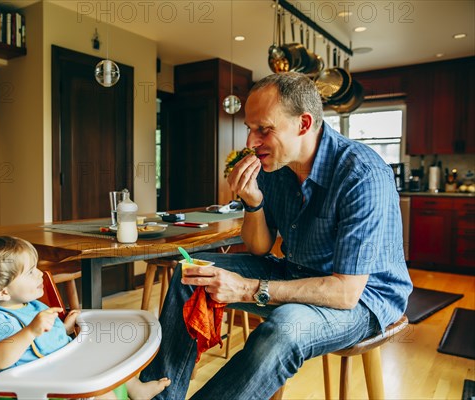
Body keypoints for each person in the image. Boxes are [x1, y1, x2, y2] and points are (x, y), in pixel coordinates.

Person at [140, 72, 413, 399]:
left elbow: (345, 292)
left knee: (284, 329)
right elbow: (260, 247)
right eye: (249, 129)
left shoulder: (362, 175)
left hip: (365, 298)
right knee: (192, 273)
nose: (250, 143)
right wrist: (253, 202)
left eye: (263, 130)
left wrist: (246, 288)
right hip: (296, 272)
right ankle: (158, 396)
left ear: (303, 123)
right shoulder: (275, 167)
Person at [0, 235, 170, 400]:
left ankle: (137, 390)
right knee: (100, 392)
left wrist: (64, 329)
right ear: (2, 292)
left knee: (106, 358)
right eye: (31, 272)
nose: (41, 274)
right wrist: (30, 331)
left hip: (62, 367)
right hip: (39, 383)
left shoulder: (29, 304)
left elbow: (45, 340)